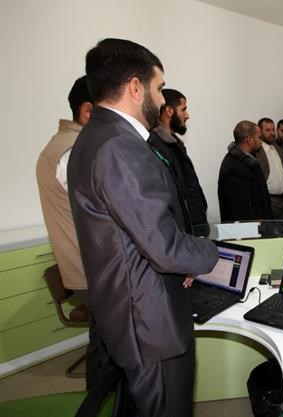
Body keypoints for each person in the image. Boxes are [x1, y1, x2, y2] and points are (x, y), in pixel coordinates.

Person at [67, 38, 219, 417]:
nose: (162, 97)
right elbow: (163, 246)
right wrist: (210, 252)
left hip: (129, 311)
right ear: (136, 87)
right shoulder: (119, 147)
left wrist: (179, 261)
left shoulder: (94, 137)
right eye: (159, 87)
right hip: (151, 323)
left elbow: (133, 234)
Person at [36, 75, 112, 388]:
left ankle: (100, 397)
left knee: (104, 344)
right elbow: (105, 214)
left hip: (84, 266)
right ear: (87, 110)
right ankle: (101, 399)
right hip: (91, 269)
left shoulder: (60, 146)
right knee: (110, 348)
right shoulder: (73, 152)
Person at [147, 88, 209, 230]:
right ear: (169, 111)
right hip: (180, 229)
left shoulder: (174, 144)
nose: (187, 116)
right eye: (183, 109)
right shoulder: (156, 146)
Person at [218, 121, 272, 221]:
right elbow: (239, 209)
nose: (261, 142)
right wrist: (256, 223)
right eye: (259, 138)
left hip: (260, 226)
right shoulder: (233, 166)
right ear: (249, 140)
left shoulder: (250, 160)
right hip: (248, 228)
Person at [255, 117, 283, 220]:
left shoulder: (279, 149)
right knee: (270, 229)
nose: (272, 133)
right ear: (260, 131)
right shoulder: (256, 152)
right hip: (269, 201)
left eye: (273, 129)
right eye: (268, 130)